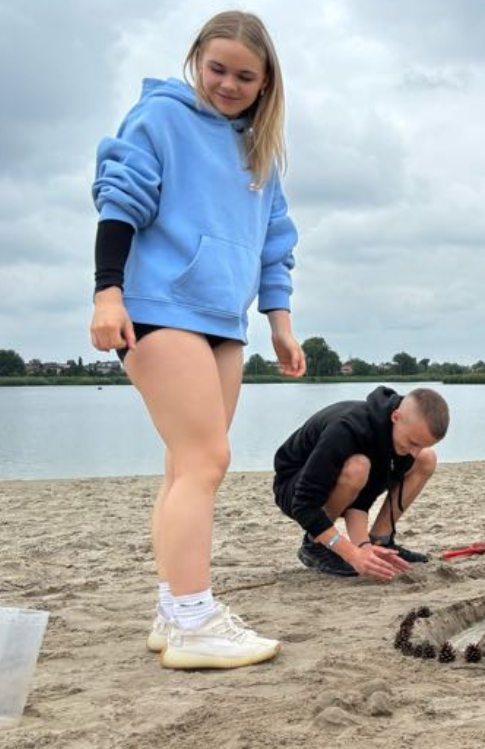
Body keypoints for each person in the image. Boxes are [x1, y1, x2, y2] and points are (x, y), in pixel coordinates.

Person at [89, 11, 304, 670]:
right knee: (208, 460)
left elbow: (275, 242)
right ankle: (194, 618)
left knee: (185, 467)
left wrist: (281, 323)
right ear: (195, 61)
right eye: (218, 69)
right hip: (157, 306)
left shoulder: (259, 150)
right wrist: (107, 293)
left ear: (266, 82)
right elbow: (119, 199)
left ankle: (170, 607)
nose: (228, 85)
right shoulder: (161, 119)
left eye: (245, 76)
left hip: (222, 322)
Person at [274, 386, 449, 580]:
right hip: (294, 488)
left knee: (426, 458)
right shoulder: (346, 429)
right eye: (413, 442)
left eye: (422, 444)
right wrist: (351, 553)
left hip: (346, 484)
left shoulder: (400, 438)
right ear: (395, 417)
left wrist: (365, 549)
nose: (414, 452)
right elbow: (304, 506)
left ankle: (381, 541)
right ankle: (315, 544)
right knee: (358, 466)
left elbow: (360, 504)